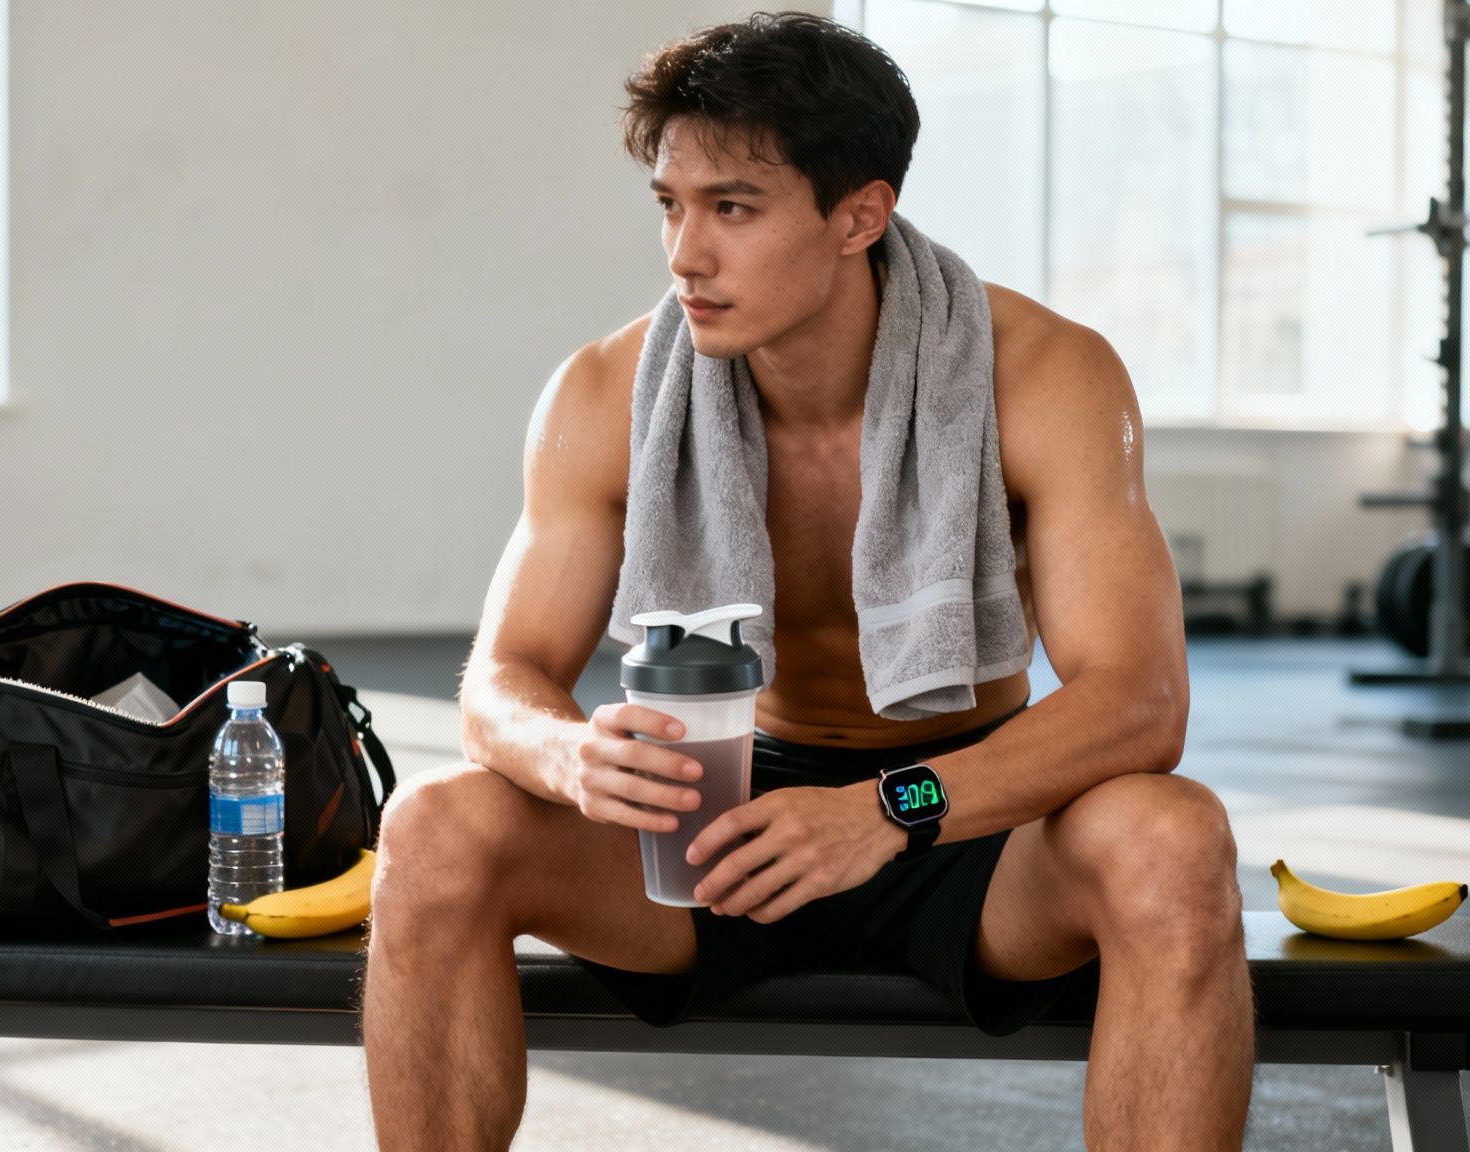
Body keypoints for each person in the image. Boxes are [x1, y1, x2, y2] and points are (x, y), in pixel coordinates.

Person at [361, 12, 1251, 1150]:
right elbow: (503, 681)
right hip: (716, 825)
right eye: (670, 205)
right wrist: (570, 755)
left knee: (1173, 840)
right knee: (435, 827)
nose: (685, 254)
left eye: (732, 208)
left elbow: (1138, 702)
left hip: (967, 819)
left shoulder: (1045, 376)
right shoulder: (603, 393)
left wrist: (884, 811)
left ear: (858, 215)